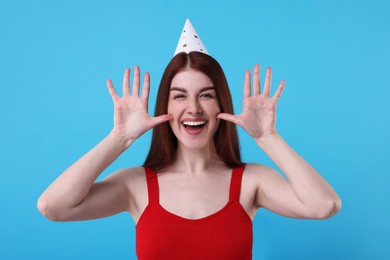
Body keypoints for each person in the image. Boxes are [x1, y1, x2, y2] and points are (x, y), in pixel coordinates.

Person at [37, 20, 341, 259]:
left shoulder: (250, 181)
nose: (193, 108)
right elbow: (53, 206)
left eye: (206, 95)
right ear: (165, 107)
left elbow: (324, 205)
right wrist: (119, 138)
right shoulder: (135, 185)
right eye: (179, 96)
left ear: (221, 104)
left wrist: (267, 137)